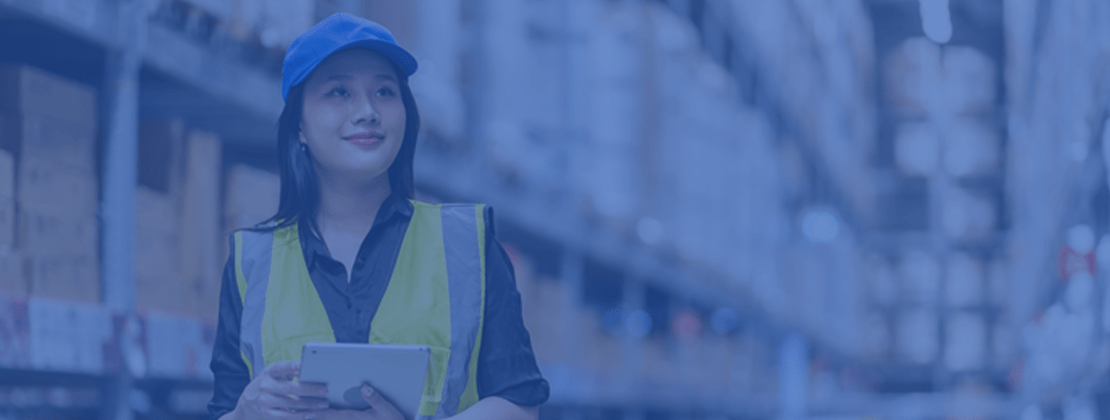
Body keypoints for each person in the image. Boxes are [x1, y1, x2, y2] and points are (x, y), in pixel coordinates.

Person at [207, 13, 549, 420]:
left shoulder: (466, 246)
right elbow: (224, 410)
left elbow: (520, 404)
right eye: (338, 91)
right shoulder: (252, 262)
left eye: (385, 91)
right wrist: (244, 411)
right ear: (299, 125)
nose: (367, 111)